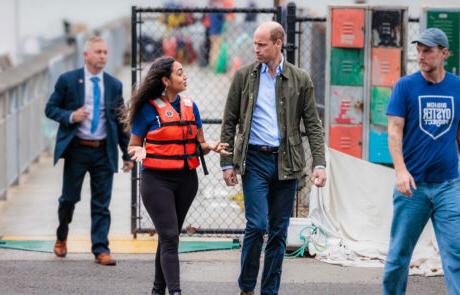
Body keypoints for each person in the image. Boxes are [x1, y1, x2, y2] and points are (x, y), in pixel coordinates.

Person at [220, 21, 327, 295]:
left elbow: (313, 124)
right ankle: (246, 286)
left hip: (287, 163)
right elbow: (229, 121)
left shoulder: (300, 78)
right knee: (256, 225)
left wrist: (319, 163)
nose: (255, 49)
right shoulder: (244, 76)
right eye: (255, 44)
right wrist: (227, 162)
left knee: (278, 232)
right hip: (254, 160)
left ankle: (269, 291)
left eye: (261, 44)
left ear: (278, 43)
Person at [126, 56, 230, 295]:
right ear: (165, 80)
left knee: (167, 238)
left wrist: (211, 145)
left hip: (186, 181)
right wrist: (139, 149)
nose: (185, 76)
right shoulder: (148, 109)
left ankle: (157, 290)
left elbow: (198, 144)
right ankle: (175, 291)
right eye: (180, 72)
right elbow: (133, 145)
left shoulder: (190, 106)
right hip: (156, 181)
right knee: (171, 236)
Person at [383, 28, 460, 294]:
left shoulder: (457, 87)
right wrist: (401, 171)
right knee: (397, 257)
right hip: (412, 186)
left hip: (449, 185)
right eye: (419, 50)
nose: (421, 56)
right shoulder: (406, 86)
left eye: (428, 50)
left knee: (456, 254)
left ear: (444, 53)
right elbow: (394, 130)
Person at [45, 36, 133, 266]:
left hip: (103, 150)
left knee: (101, 203)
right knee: (69, 199)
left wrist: (127, 154)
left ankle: (101, 249)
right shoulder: (68, 80)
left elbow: (122, 121)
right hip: (77, 150)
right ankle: (62, 235)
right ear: (86, 55)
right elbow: (51, 108)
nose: (103, 56)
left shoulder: (114, 85)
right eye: (98, 52)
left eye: (105, 52)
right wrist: (72, 116)